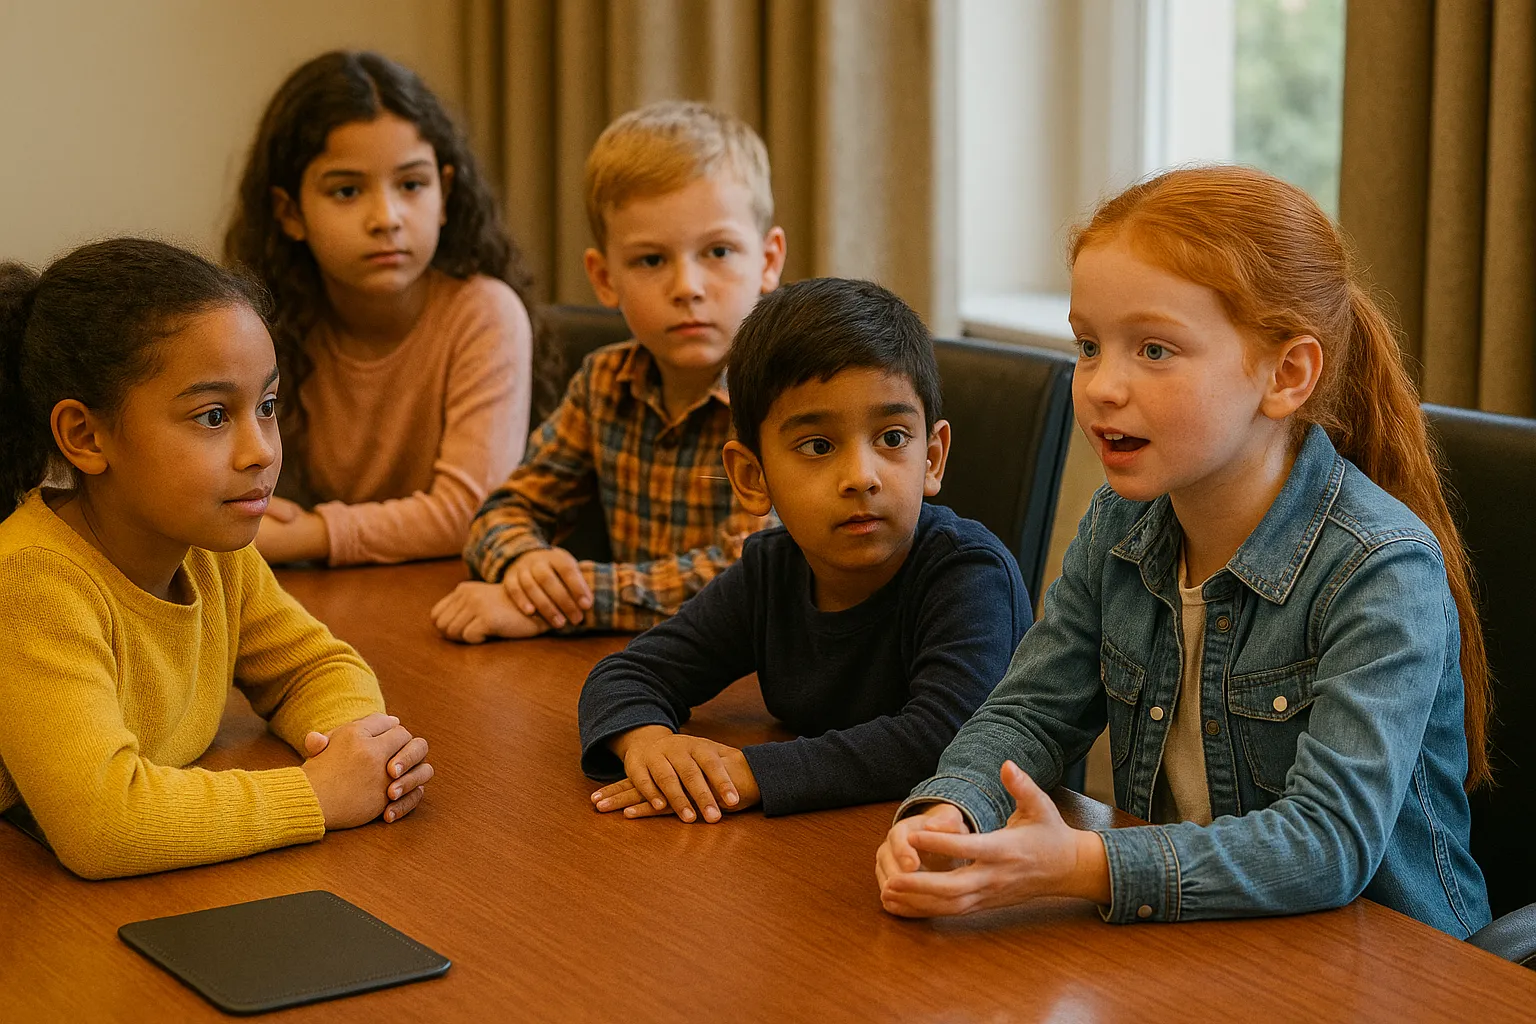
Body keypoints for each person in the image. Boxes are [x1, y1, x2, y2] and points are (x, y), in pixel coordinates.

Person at [875, 166, 1492, 938]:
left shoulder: (1379, 566)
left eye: (1155, 350)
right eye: (1090, 346)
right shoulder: (1118, 526)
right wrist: (949, 812)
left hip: (1391, 969)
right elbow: (1030, 712)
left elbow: (1329, 844)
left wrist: (1082, 864)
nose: (1102, 385)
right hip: (1199, 942)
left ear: (1287, 374)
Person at [0, 239, 432, 879]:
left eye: (267, 406)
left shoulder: (211, 547)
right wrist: (318, 794)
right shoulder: (31, 580)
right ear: (86, 436)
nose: (259, 450)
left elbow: (314, 667)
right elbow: (104, 824)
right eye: (211, 416)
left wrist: (361, 748)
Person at [577, 278, 1031, 820]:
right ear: (752, 476)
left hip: (978, 845)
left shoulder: (969, 572)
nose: (862, 477)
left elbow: (945, 737)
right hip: (824, 839)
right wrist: (649, 744)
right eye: (818, 446)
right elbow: (627, 674)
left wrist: (751, 773)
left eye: (892, 438)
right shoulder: (771, 571)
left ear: (931, 457)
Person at [431, 101, 784, 642]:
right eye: (650, 260)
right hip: (637, 663)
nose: (687, 286)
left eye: (717, 251)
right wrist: (524, 564)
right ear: (603, 277)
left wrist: (560, 603)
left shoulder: (787, 394)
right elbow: (506, 508)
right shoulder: (603, 383)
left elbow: (748, 573)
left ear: (767, 260)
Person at [226, 50, 541, 567]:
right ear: (290, 213)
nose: (386, 218)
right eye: (348, 191)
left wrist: (315, 535)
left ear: (445, 193)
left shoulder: (484, 312)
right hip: (315, 598)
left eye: (412, 185)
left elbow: (473, 510)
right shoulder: (262, 325)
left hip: (448, 595)